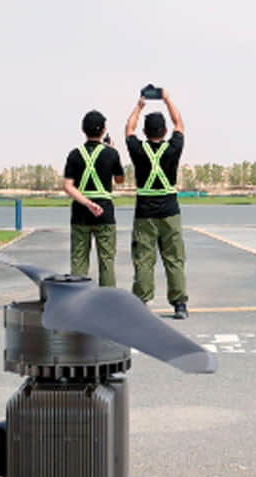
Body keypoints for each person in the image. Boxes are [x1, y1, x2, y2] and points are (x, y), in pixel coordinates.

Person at [125, 88, 188, 319]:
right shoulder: (174, 148)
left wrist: (139, 106)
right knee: (174, 259)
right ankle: (179, 304)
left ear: (145, 131)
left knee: (143, 259)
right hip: (170, 212)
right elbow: (179, 122)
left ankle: (141, 302)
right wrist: (168, 98)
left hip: (145, 214)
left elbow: (128, 129)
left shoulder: (138, 150)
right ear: (164, 131)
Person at [62, 110, 125, 287]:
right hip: (104, 211)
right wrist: (112, 152)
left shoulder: (74, 154)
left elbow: (68, 186)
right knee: (107, 260)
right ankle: (108, 301)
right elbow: (120, 180)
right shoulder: (111, 154)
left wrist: (88, 203)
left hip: (80, 213)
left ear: (83, 129)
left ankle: (77, 300)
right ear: (104, 130)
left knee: (79, 260)